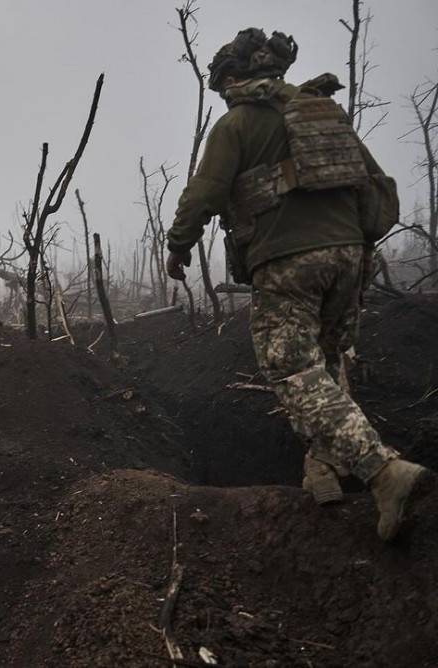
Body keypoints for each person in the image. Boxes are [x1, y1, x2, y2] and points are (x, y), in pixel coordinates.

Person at [165, 28, 434, 541]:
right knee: (327, 363)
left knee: (291, 369)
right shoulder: (321, 112)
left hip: (289, 258)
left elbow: (205, 192)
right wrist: (352, 247)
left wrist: (179, 245)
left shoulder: (236, 123)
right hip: (349, 254)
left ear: (234, 77)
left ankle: (383, 472)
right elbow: (373, 186)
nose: (221, 94)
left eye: (222, 84)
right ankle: (323, 470)